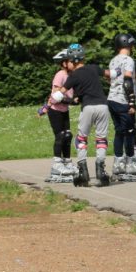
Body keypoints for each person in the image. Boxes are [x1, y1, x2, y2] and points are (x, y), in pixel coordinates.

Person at [61, 45, 111, 187]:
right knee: (101, 138)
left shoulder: (73, 76)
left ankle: (83, 172)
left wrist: (53, 98)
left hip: (88, 107)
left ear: (71, 60)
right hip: (103, 106)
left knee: (81, 139)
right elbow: (109, 73)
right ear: (84, 57)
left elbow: (61, 92)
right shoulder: (94, 68)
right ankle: (101, 171)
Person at [106, 33, 136, 181]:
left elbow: (111, 80)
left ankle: (118, 163)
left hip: (111, 99)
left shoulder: (113, 60)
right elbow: (127, 81)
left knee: (119, 131)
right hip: (123, 100)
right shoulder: (128, 60)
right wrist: (132, 102)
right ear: (129, 45)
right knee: (129, 131)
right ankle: (129, 163)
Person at [43, 48, 76, 182]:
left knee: (68, 135)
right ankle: (57, 165)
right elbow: (56, 95)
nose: (74, 63)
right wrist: (70, 101)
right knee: (60, 136)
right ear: (64, 63)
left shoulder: (72, 76)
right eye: (71, 61)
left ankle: (67, 163)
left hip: (64, 110)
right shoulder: (60, 74)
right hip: (55, 110)